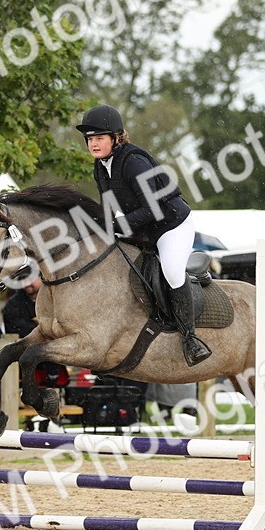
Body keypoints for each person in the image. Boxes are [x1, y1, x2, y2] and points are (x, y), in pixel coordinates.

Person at [76, 103, 211, 366]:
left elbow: (153, 207)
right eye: (89, 139)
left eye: (99, 138)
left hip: (172, 225)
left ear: (116, 138)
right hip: (145, 230)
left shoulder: (133, 162)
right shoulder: (101, 167)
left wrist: (119, 225)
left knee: (172, 271)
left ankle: (190, 339)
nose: (93, 144)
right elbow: (108, 207)